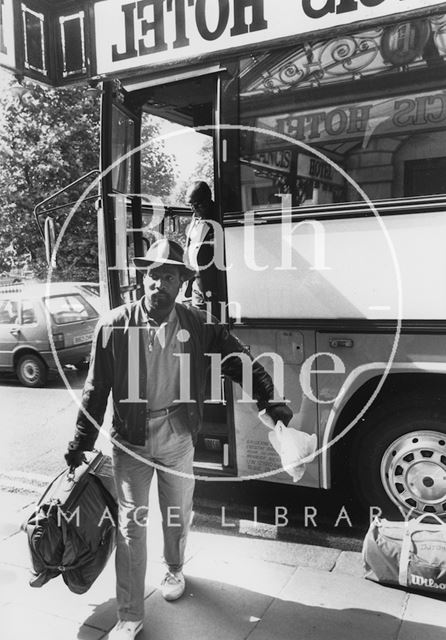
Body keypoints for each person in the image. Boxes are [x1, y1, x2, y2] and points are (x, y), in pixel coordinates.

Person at [64, 238, 292, 640]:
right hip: (130, 441)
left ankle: (174, 568)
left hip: (178, 435)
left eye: (168, 275)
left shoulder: (197, 323)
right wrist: (81, 440)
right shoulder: (114, 325)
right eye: (153, 274)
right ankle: (130, 615)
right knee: (131, 525)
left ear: (181, 283)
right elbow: (95, 389)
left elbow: (238, 359)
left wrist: (271, 401)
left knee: (177, 512)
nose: (158, 283)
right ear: (143, 278)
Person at [184, 181, 220, 312]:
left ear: (207, 201)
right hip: (196, 285)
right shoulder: (194, 219)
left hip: (215, 288)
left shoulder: (219, 219)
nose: (193, 209)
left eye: (196, 204)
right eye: (190, 205)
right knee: (198, 324)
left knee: (215, 325)